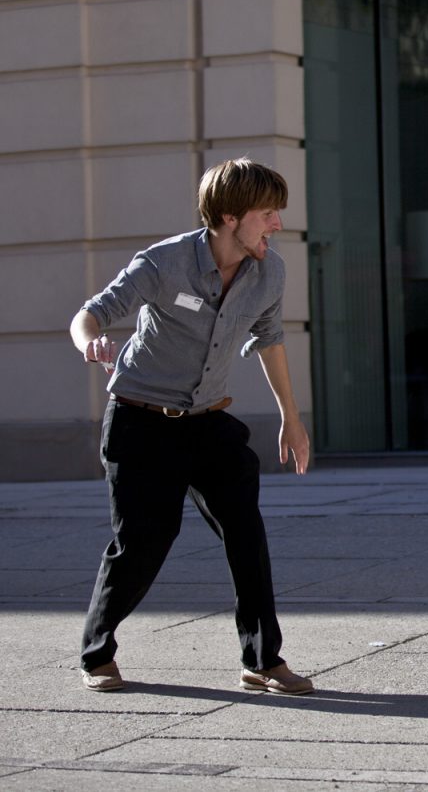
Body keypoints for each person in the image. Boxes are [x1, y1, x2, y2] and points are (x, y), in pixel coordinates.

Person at [70, 157, 313, 695]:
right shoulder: (165, 262)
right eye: (267, 213)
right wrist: (89, 341)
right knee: (144, 542)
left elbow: (270, 340)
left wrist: (291, 420)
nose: (277, 224)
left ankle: (262, 659)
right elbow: (92, 312)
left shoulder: (269, 270)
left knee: (245, 532)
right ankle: (97, 652)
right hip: (140, 422)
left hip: (207, 422)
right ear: (229, 217)